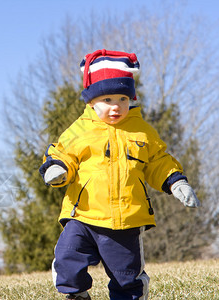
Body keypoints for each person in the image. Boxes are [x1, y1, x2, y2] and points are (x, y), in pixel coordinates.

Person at [39, 49, 200, 300]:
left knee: (127, 278)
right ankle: (77, 295)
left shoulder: (141, 131)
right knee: (67, 259)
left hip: (126, 220)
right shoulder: (80, 130)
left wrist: (175, 181)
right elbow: (62, 153)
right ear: (91, 101)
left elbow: (158, 161)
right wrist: (57, 168)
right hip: (82, 214)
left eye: (123, 99)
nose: (116, 107)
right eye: (108, 100)